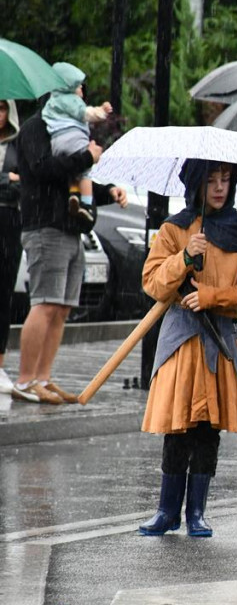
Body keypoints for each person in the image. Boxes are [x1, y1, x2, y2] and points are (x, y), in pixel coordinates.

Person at [137, 160, 237, 538]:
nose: (220, 187)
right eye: (212, 180)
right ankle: (166, 511)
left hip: (221, 340)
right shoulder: (175, 229)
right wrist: (185, 257)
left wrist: (212, 295)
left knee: (209, 427)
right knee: (178, 426)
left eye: (226, 179)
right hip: (182, 341)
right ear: (196, 184)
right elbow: (153, 284)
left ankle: (196, 512)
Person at [11, 103, 126, 405]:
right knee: (45, 303)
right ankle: (25, 380)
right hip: (45, 226)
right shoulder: (37, 127)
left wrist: (108, 191)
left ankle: (43, 378)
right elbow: (43, 169)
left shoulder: (68, 129)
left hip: (72, 229)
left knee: (61, 308)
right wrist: (87, 156)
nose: (80, 98)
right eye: (75, 91)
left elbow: (74, 177)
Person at [41, 62, 113, 228]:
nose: (81, 89)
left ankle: (74, 195)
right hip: (73, 138)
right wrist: (102, 111)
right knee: (85, 172)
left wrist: (108, 191)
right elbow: (86, 114)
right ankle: (86, 204)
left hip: (57, 142)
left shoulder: (52, 102)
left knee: (73, 171)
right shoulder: (70, 100)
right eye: (79, 86)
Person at [0, 100, 20, 402]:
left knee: (4, 292)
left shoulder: (18, 144)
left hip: (9, 223)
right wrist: (7, 180)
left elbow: (25, 182)